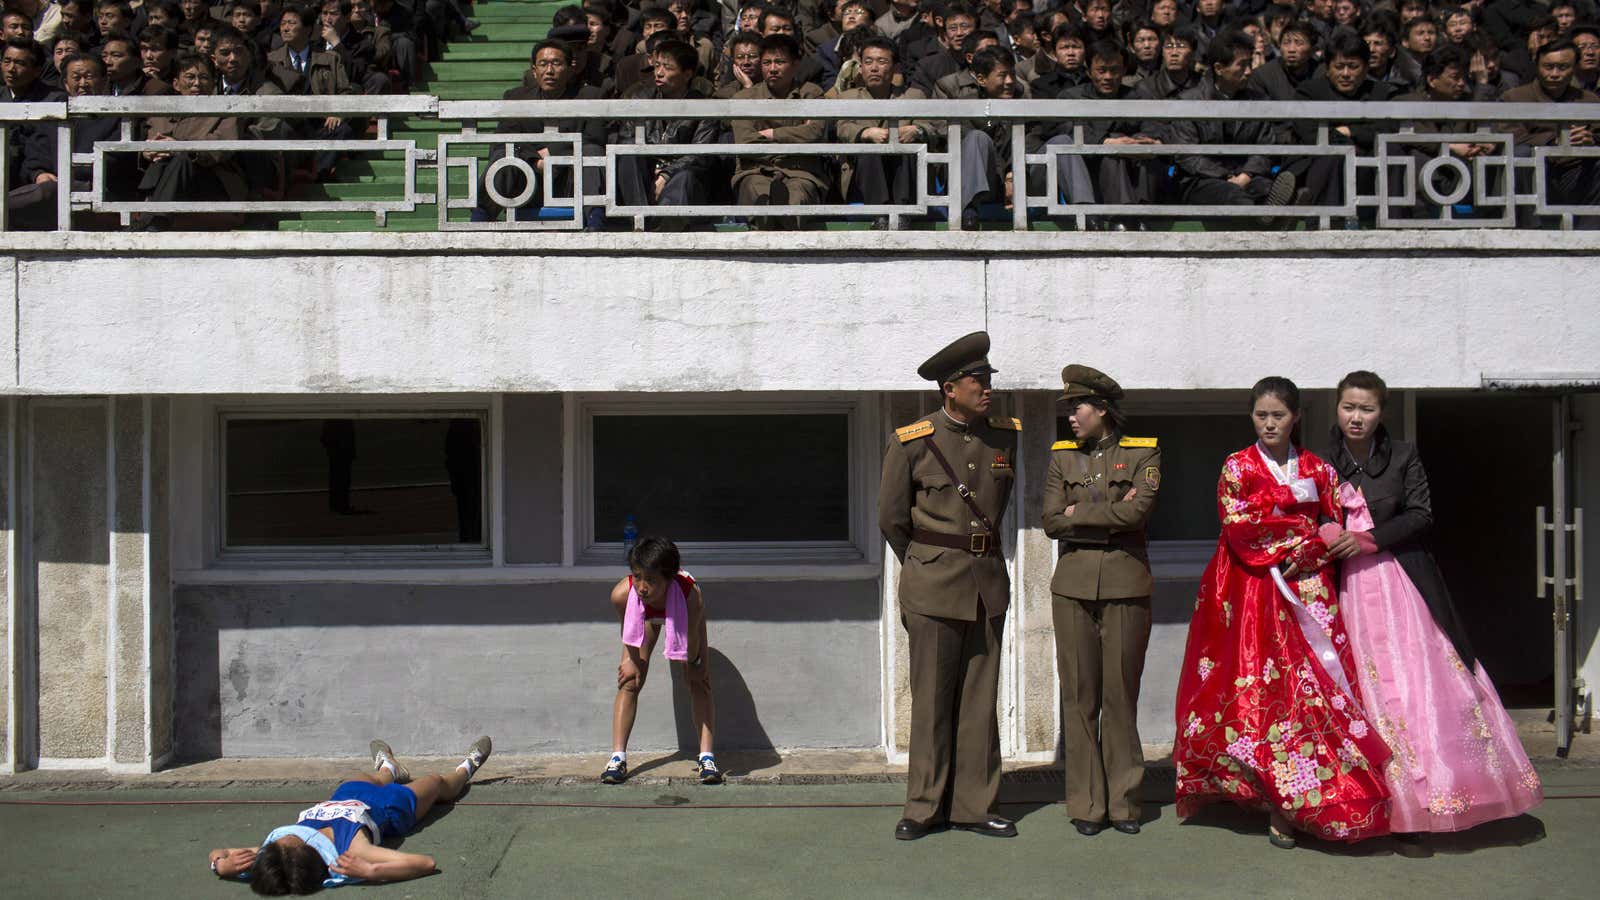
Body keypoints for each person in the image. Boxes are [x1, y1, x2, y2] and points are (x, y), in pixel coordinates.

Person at [1325, 371, 1542, 854]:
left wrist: (1369, 538)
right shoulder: (1321, 462)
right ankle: (1378, 808)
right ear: (1335, 409)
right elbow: (1306, 517)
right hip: (1347, 593)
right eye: (1348, 407)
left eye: (1366, 408)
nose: (1356, 417)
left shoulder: (1403, 455)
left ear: (1382, 412)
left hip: (1404, 585)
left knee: (1422, 686)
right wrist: (1325, 535)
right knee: (1366, 691)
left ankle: (1428, 807)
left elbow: (1422, 514)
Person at [1172, 376, 1392, 848]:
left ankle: (1314, 799)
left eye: (1279, 415)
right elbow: (1239, 526)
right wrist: (1300, 535)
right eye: (1261, 415)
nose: (1269, 423)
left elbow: (1333, 524)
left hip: (1309, 592)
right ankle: (1275, 800)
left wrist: (1312, 547)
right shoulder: (1236, 466)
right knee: (1262, 696)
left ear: (1296, 418)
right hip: (1252, 595)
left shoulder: (1320, 469)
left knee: (1314, 693)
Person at [877, 330, 1020, 841]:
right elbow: (892, 520)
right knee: (932, 702)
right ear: (949, 387)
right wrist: (928, 560)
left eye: (988, 380)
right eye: (977, 381)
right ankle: (923, 807)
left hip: (986, 584)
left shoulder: (1004, 436)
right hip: (933, 585)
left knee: (979, 703)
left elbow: (998, 508)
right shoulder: (911, 441)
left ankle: (974, 806)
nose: (987, 389)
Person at [1042, 365, 1160, 837]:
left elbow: (1137, 511)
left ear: (1103, 409)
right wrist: (1100, 516)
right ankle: (1087, 805)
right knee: (1079, 697)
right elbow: (1050, 520)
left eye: (1078, 407)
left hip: (1125, 585)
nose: (1072, 416)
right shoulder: (1060, 458)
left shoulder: (1142, 452)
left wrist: (1079, 513)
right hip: (1071, 587)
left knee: (1119, 697)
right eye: (1069, 408)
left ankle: (1125, 804)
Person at [206, 736, 493, 892]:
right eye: (287, 841)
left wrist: (220, 865)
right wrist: (370, 871)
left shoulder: (274, 855)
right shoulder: (350, 850)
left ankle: (390, 769)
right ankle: (465, 769)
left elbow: (218, 851)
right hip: (391, 807)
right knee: (435, 783)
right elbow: (425, 862)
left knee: (367, 776)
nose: (283, 836)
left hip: (345, 796)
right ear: (305, 851)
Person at [602, 536, 720, 785]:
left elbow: (692, 642)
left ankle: (707, 757)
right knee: (629, 681)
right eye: (637, 576)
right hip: (643, 618)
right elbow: (629, 631)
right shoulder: (623, 595)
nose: (642, 587)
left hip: (684, 620)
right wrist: (632, 661)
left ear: (669, 577)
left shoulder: (690, 596)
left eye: (651, 580)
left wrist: (695, 663)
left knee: (699, 680)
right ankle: (617, 758)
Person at [730, 34, 830, 229]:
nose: (773, 68)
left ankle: (785, 227)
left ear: (795, 64)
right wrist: (795, 136)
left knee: (797, 201)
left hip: (800, 172)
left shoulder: (811, 93)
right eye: (767, 62)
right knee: (760, 197)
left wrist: (773, 134)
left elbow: (814, 133)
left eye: (780, 62)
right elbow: (746, 142)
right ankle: (768, 223)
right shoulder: (744, 98)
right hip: (756, 170)